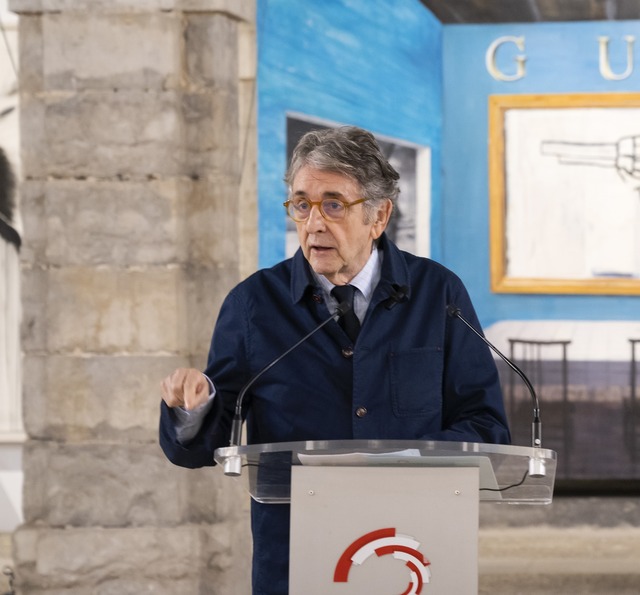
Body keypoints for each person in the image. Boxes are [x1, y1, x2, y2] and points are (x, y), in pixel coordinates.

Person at [159, 126, 510, 594]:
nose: (314, 223)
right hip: (295, 561)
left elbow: (486, 426)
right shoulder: (254, 304)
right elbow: (203, 445)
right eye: (302, 204)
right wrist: (194, 408)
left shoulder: (439, 294)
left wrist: (406, 461)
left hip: (413, 551)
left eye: (334, 205)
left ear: (379, 215)